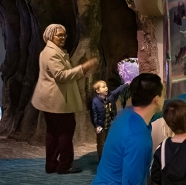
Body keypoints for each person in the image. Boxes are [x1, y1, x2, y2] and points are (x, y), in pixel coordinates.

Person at [31, 24, 97, 174]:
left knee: (53, 132)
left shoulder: (51, 51)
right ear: (50, 36)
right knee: (65, 132)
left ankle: (51, 165)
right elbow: (61, 76)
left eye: (64, 35)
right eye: (59, 35)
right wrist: (84, 67)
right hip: (57, 101)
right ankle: (65, 165)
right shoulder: (52, 53)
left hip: (52, 100)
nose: (62, 38)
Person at [90, 79, 128, 161]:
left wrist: (127, 84)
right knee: (101, 142)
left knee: (110, 140)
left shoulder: (110, 96)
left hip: (109, 124)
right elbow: (94, 114)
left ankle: (109, 157)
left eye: (106, 86)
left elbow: (118, 90)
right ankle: (101, 158)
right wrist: (96, 125)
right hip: (101, 125)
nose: (106, 88)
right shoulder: (96, 101)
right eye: (103, 87)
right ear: (98, 91)